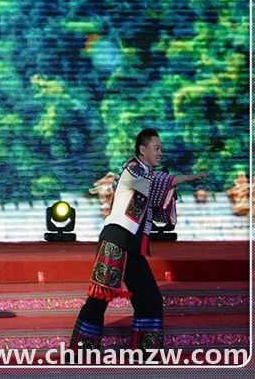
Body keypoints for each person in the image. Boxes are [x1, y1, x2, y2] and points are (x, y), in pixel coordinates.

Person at [69, 128, 207, 358]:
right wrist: (184, 178)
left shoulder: (145, 174)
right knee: (99, 299)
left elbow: (159, 188)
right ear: (142, 150)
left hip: (131, 245)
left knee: (150, 298)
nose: (161, 152)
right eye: (156, 148)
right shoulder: (132, 169)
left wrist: (182, 181)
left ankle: (146, 351)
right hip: (115, 241)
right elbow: (156, 184)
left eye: (161, 148)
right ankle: (81, 350)